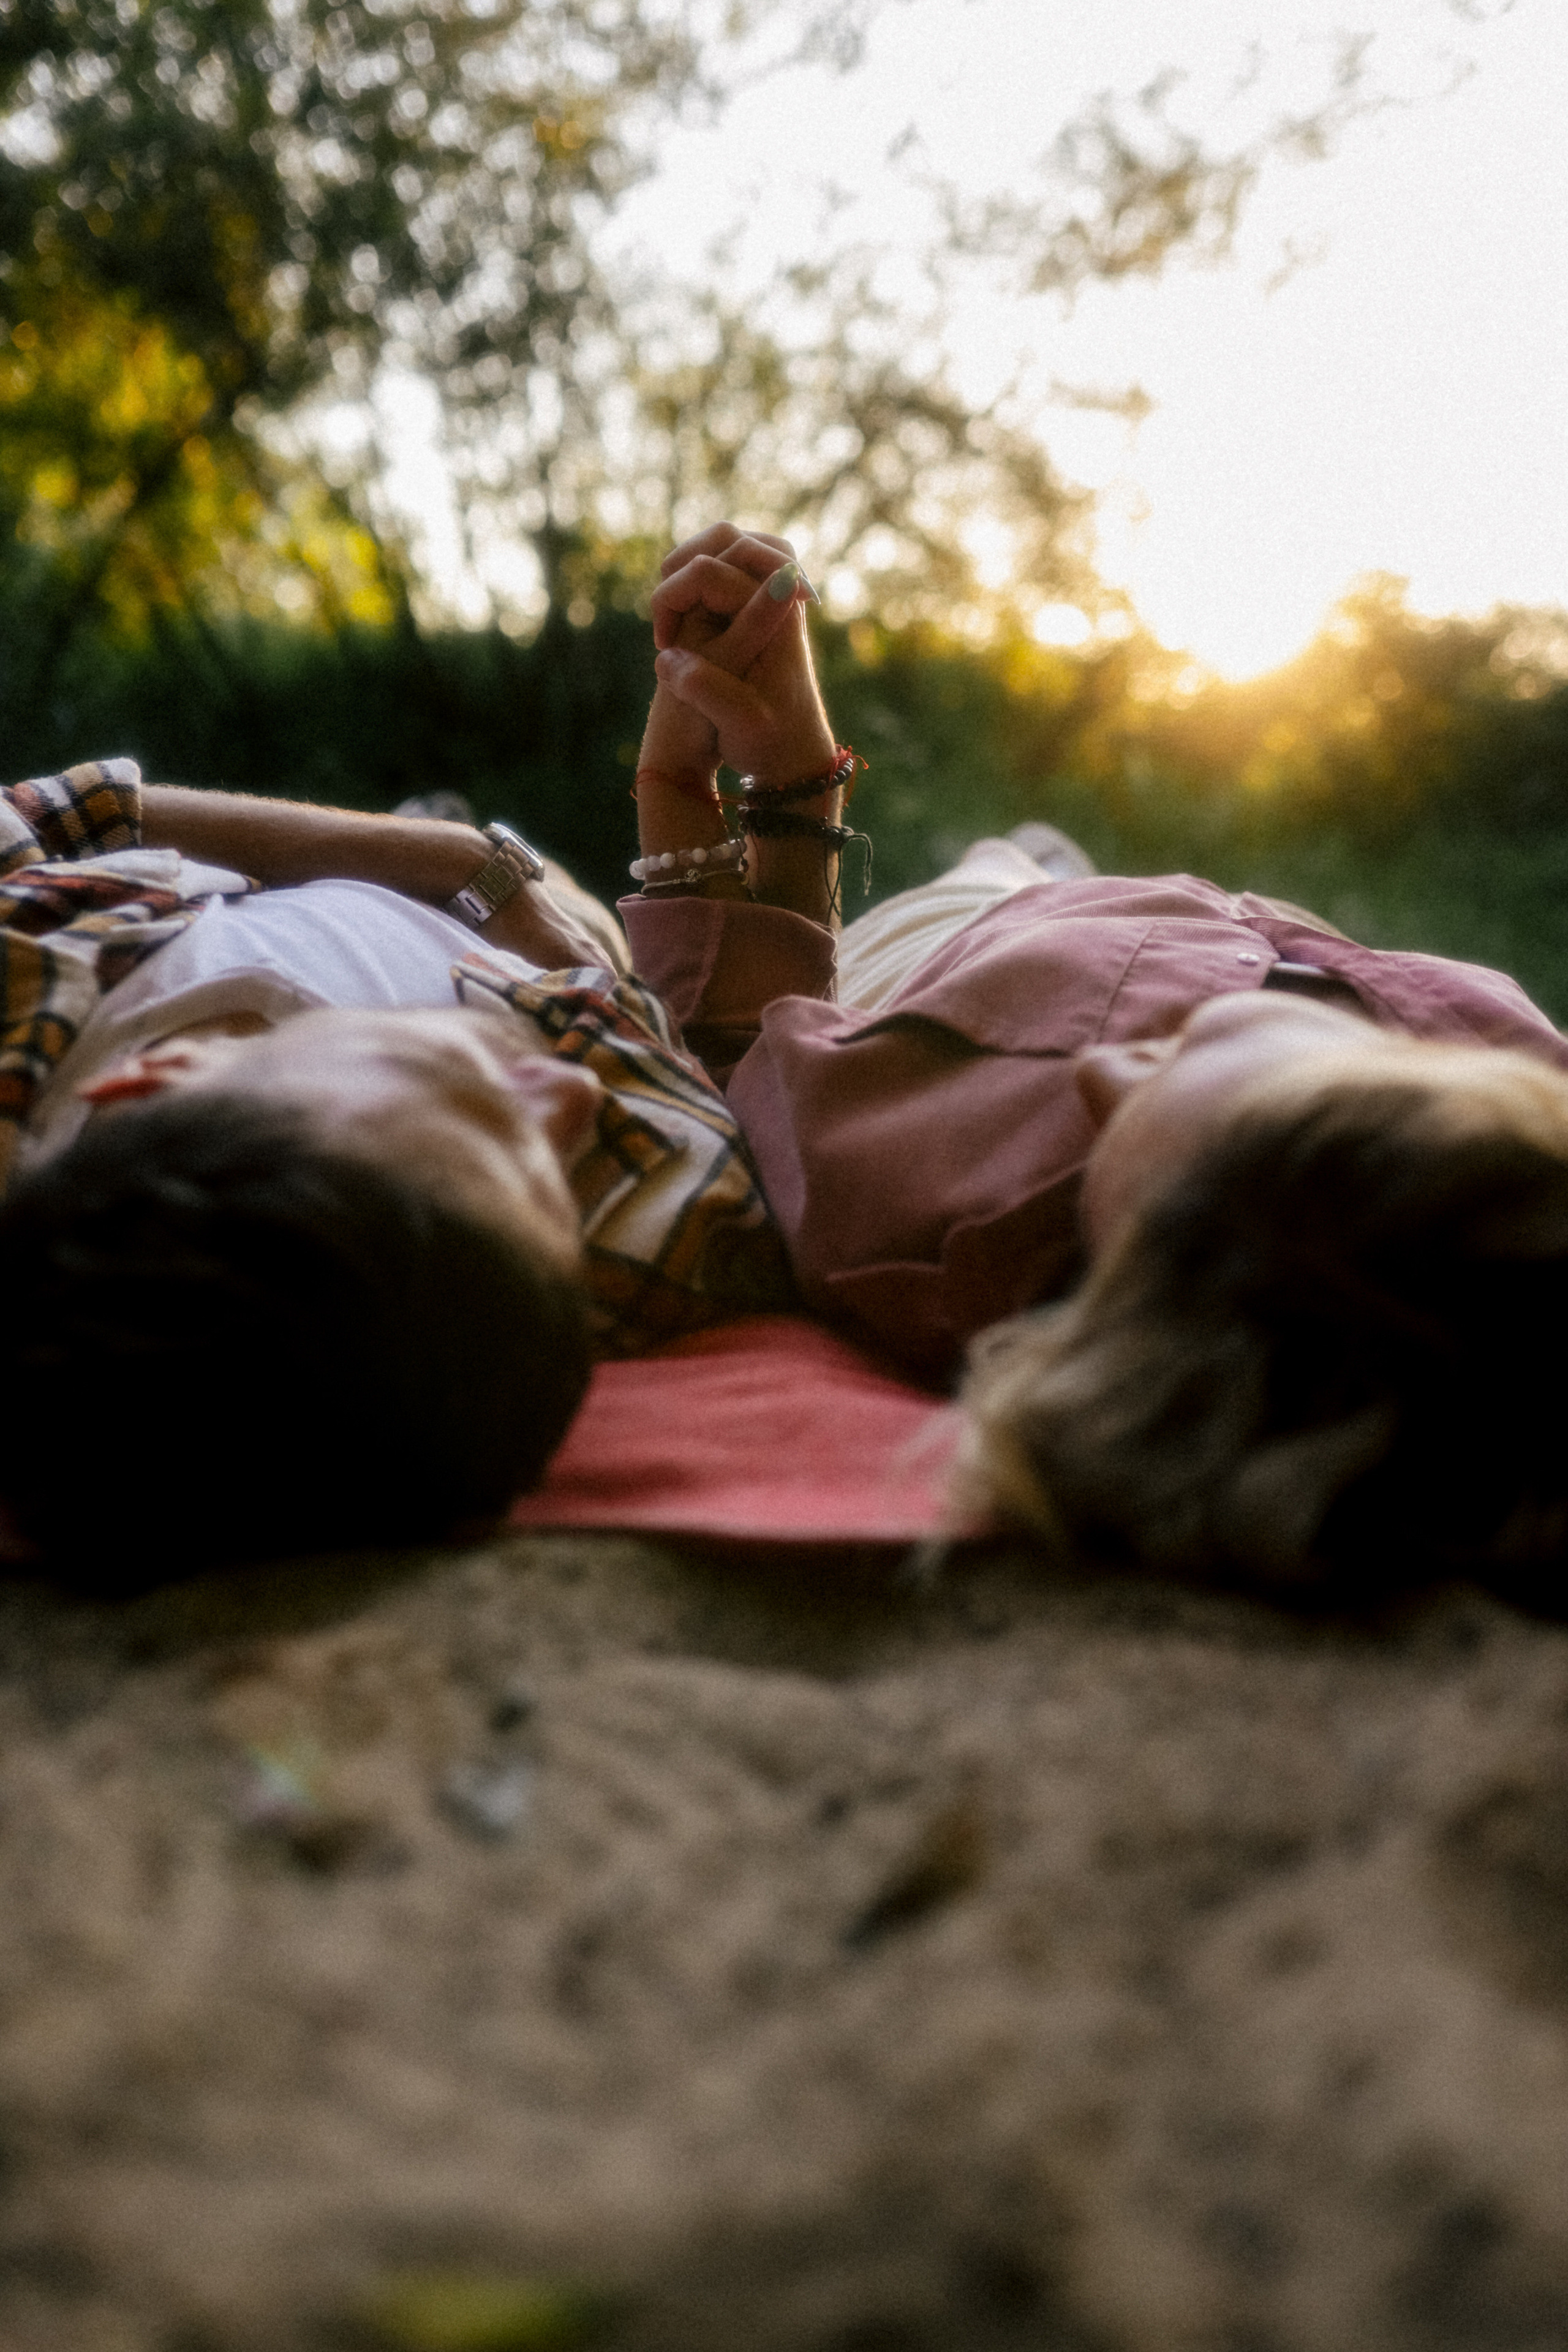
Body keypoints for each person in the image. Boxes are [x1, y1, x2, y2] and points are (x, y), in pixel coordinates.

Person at [623, 523, 1568, 1596]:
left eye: (1094, 1189)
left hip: (935, 961)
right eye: (1166, 1063)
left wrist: (764, 795)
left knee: (987, 873)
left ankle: (1014, 862)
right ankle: (1039, 862)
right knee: (1033, 868)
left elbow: (740, 1061)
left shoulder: (924, 1229)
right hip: (1136, 919)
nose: (1100, 1078)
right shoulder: (1520, 1091)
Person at [0, 710, 810, 1575]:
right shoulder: (572, 1272)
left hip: (327, 877)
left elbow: (46, 813)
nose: (573, 1097)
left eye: (466, 1100)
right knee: (575, 905)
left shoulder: (26, 987)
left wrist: (455, 860)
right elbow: (759, 1052)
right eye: (555, 1171)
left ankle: (429, 817)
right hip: (548, 937)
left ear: (162, 1079)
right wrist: (780, 781)